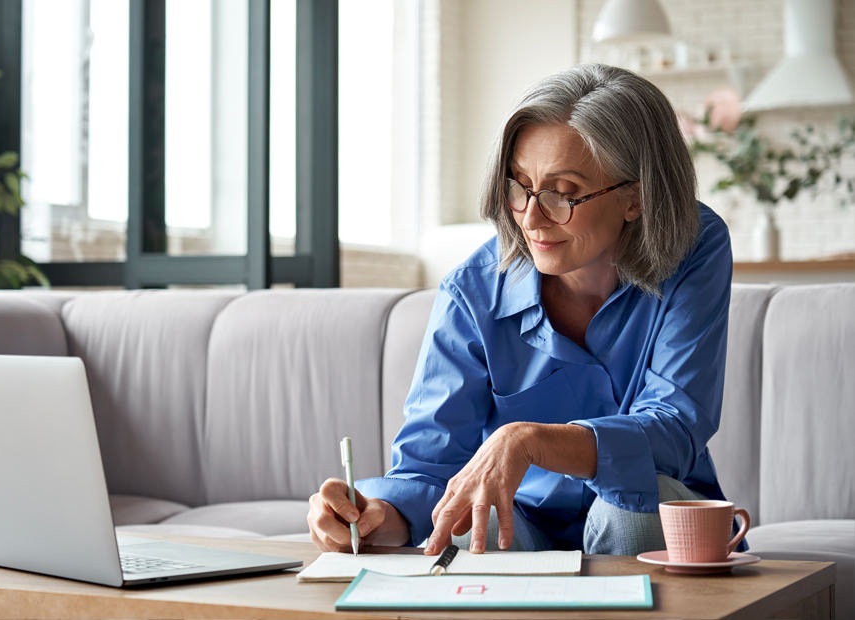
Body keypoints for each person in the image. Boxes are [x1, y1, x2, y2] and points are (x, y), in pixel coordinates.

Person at [307, 63, 735, 558]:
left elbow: (675, 426)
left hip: (646, 516)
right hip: (522, 524)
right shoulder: (472, 291)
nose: (530, 218)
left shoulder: (694, 246)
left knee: (632, 503)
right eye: (519, 187)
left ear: (635, 199)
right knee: (476, 519)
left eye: (563, 193)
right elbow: (430, 467)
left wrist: (530, 440)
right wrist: (375, 517)